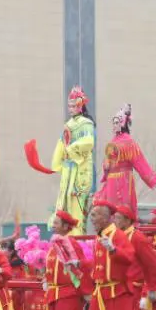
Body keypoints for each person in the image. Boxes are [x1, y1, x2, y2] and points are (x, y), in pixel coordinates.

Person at [95, 104, 156, 217]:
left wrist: (153, 180)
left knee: (123, 210)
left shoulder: (129, 142)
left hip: (124, 180)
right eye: (113, 123)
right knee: (107, 209)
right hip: (111, 181)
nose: (114, 125)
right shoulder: (113, 141)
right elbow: (107, 164)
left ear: (123, 123)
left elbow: (140, 163)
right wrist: (106, 166)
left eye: (117, 122)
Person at [48, 87, 97, 231]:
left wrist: (70, 149)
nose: (70, 108)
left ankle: (78, 234)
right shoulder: (68, 124)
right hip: (68, 168)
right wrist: (57, 162)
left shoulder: (86, 124)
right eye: (69, 105)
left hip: (80, 168)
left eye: (73, 105)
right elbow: (61, 143)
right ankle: (65, 233)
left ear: (80, 105)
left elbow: (89, 142)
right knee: (64, 200)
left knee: (76, 201)